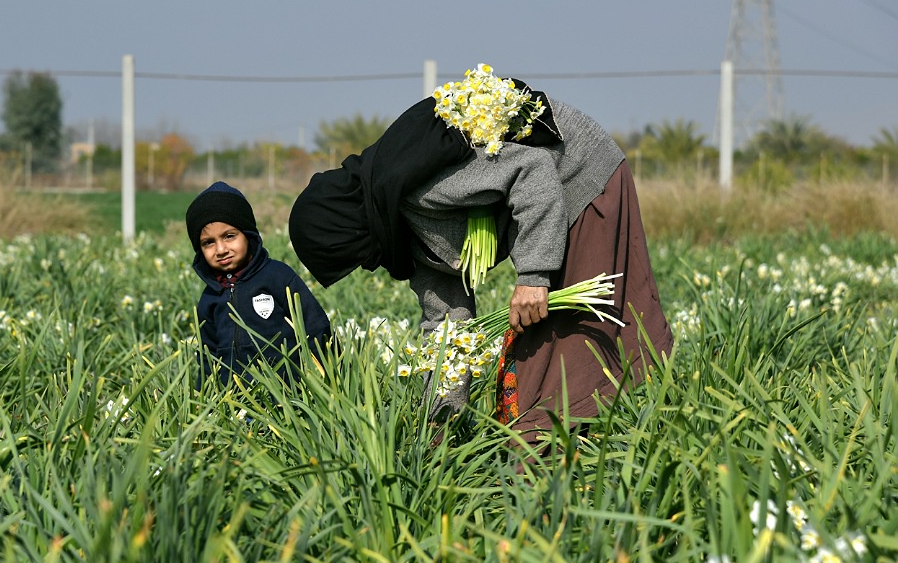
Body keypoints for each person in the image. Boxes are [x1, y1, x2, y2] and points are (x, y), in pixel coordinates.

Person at [288, 66, 673, 452]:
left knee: (562, 353)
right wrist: (436, 428)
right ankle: (553, 463)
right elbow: (447, 324)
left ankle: (563, 469)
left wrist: (534, 276)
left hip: (579, 178)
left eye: (354, 256)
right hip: (548, 204)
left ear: (352, 230)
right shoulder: (397, 226)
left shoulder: (417, 189)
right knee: (543, 361)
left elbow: (532, 171)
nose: (368, 264)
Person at [186, 181, 332, 388]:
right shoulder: (210, 297)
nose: (220, 249)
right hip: (233, 400)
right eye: (208, 242)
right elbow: (207, 356)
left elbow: (315, 328)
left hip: (287, 393)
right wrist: (204, 397)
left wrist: (328, 379)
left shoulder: (278, 277)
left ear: (249, 235)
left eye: (229, 236)